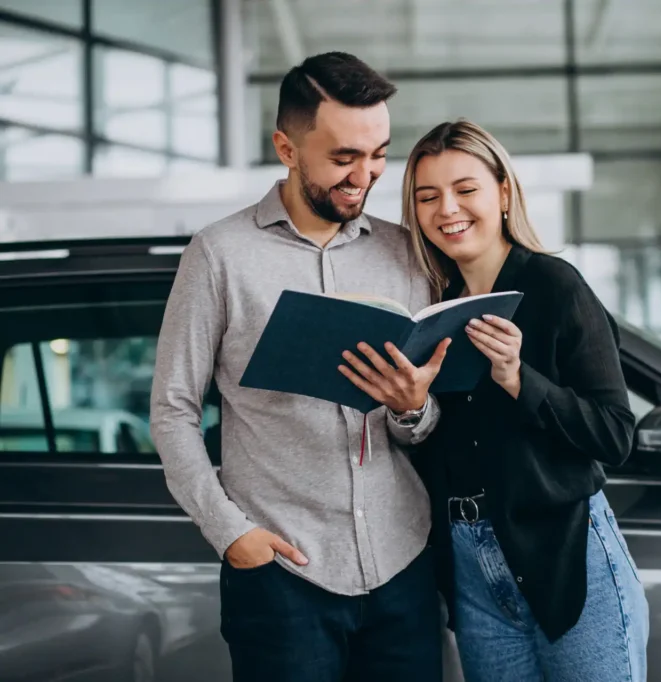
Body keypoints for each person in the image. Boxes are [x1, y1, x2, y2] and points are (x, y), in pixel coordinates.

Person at [149, 52, 450, 682]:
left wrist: (413, 407)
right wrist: (229, 531)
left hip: (403, 567)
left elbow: (422, 421)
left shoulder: (406, 254)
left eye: (377, 155)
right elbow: (173, 410)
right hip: (284, 573)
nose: (364, 176)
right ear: (286, 147)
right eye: (343, 158)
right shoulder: (219, 255)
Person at [348, 118, 650, 681]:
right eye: (428, 196)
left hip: (565, 552)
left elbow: (614, 435)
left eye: (466, 190)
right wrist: (407, 406)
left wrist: (518, 378)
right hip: (468, 562)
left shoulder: (556, 287)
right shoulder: (430, 308)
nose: (447, 210)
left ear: (503, 192)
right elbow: (433, 447)